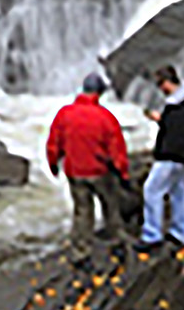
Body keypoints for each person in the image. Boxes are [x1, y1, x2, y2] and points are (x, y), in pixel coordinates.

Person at [44, 71, 130, 249]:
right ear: (99, 93)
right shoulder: (105, 117)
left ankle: (81, 248)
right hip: (99, 171)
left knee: (82, 211)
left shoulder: (64, 114)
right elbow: (117, 148)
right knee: (110, 206)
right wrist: (122, 172)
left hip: (74, 170)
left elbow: (53, 143)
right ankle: (116, 242)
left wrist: (53, 164)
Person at [139, 65, 184, 250]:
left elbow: (175, 131)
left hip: (171, 156)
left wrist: (163, 152)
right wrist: (161, 120)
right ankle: (181, 234)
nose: (161, 88)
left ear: (169, 82)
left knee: (151, 190)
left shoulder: (176, 104)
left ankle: (152, 235)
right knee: (179, 193)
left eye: (161, 84)